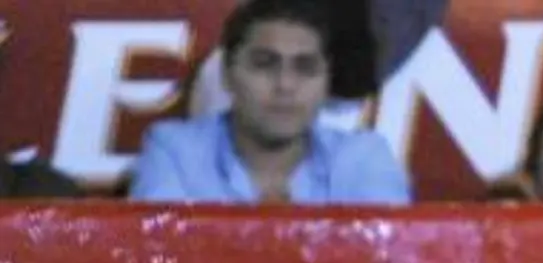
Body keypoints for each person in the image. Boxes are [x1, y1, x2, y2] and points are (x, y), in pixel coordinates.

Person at [129, 0, 409, 204]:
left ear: (326, 82)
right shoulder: (175, 151)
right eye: (264, 64)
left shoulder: (364, 157)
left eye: (305, 67)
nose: (285, 85)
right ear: (228, 74)